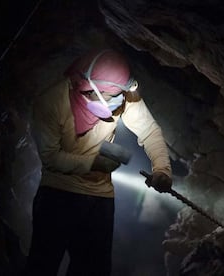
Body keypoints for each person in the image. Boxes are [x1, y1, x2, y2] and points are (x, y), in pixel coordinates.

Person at [26, 49, 172, 275]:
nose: (119, 101)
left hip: (99, 199)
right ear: (89, 87)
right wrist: (92, 163)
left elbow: (150, 132)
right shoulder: (51, 102)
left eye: (121, 95)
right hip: (57, 195)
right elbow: (50, 157)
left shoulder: (123, 94)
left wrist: (162, 169)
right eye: (112, 96)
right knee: (42, 266)